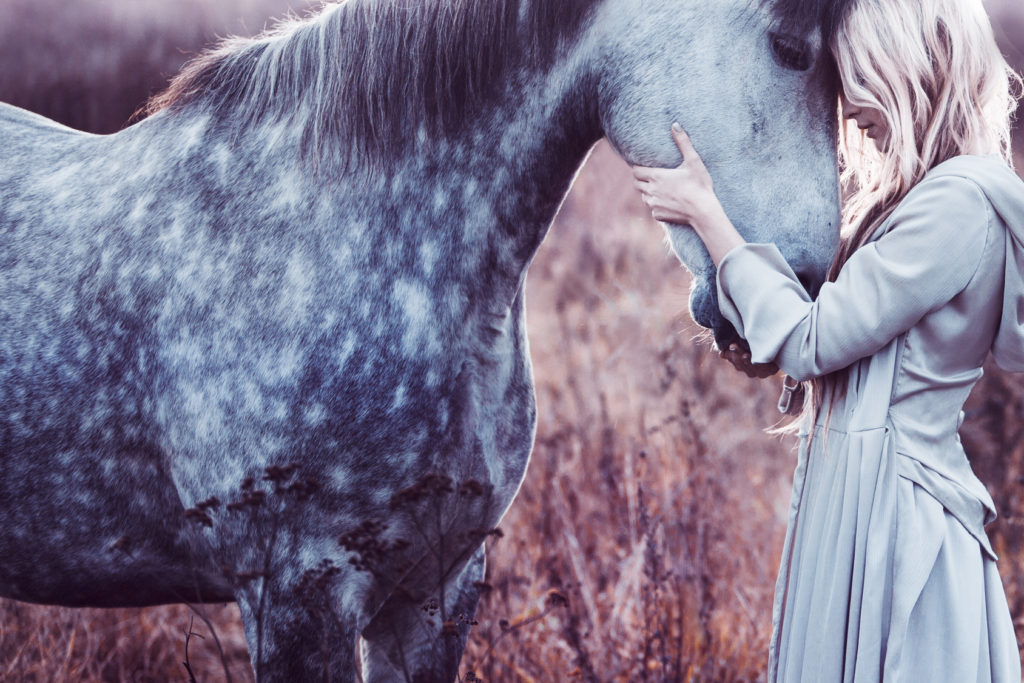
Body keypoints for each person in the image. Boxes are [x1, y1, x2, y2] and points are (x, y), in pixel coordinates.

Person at [632, 0, 1024, 680]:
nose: (849, 114)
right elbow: (843, 339)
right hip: (865, 488)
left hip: (895, 510)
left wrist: (708, 215)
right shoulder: (934, 197)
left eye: (860, 79)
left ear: (911, 71)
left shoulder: (956, 206)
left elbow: (815, 339)